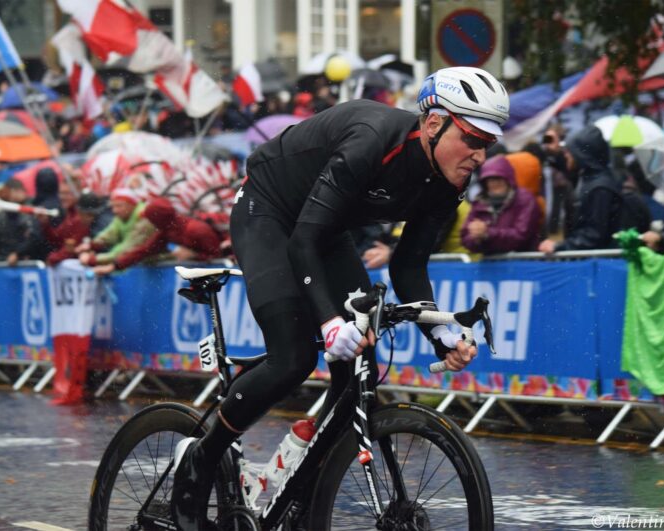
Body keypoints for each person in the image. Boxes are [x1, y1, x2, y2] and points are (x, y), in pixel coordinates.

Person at [169, 66, 509, 529]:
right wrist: (330, 323)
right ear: (434, 123)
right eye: (471, 137)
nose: (479, 154)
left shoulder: (449, 178)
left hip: (324, 231)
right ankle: (201, 460)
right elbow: (301, 242)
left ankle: (300, 486)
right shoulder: (372, 140)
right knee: (294, 357)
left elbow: (408, 265)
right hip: (270, 212)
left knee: (354, 372)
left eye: (488, 143)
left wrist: (441, 333)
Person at [538, 125, 644, 253]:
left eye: (569, 151)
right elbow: (562, 166)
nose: (565, 154)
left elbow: (594, 234)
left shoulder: (599, 188)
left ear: (581, 154)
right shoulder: (588, 178)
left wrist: (560, 247)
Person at [91, 197, 221, 275]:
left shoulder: (196, 230)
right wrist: (115, 266)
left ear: (158, 220)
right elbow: (143, 250)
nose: (149, 223)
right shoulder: (167, 230)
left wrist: (194, 256)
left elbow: (220, 256)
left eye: (150, 220)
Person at [461, 155, 542, 254]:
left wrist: (488, 234)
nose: (494, 183)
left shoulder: (525, 199)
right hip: (491, 264)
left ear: (508, 179)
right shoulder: (480, 202)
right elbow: (465, 238)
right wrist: (476, 237)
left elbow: (521, 236)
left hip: (523, 263)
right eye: (490, 179)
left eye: (498, 178)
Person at [76, 188, 156, 268]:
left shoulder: (144, 217)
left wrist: (93, 259)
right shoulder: (122, 216)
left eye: (119, 206)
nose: (115, 211)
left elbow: (127, 249)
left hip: (155, 265)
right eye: (113, 206)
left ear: (132, 204)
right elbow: (110, 233)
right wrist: (92, 245)